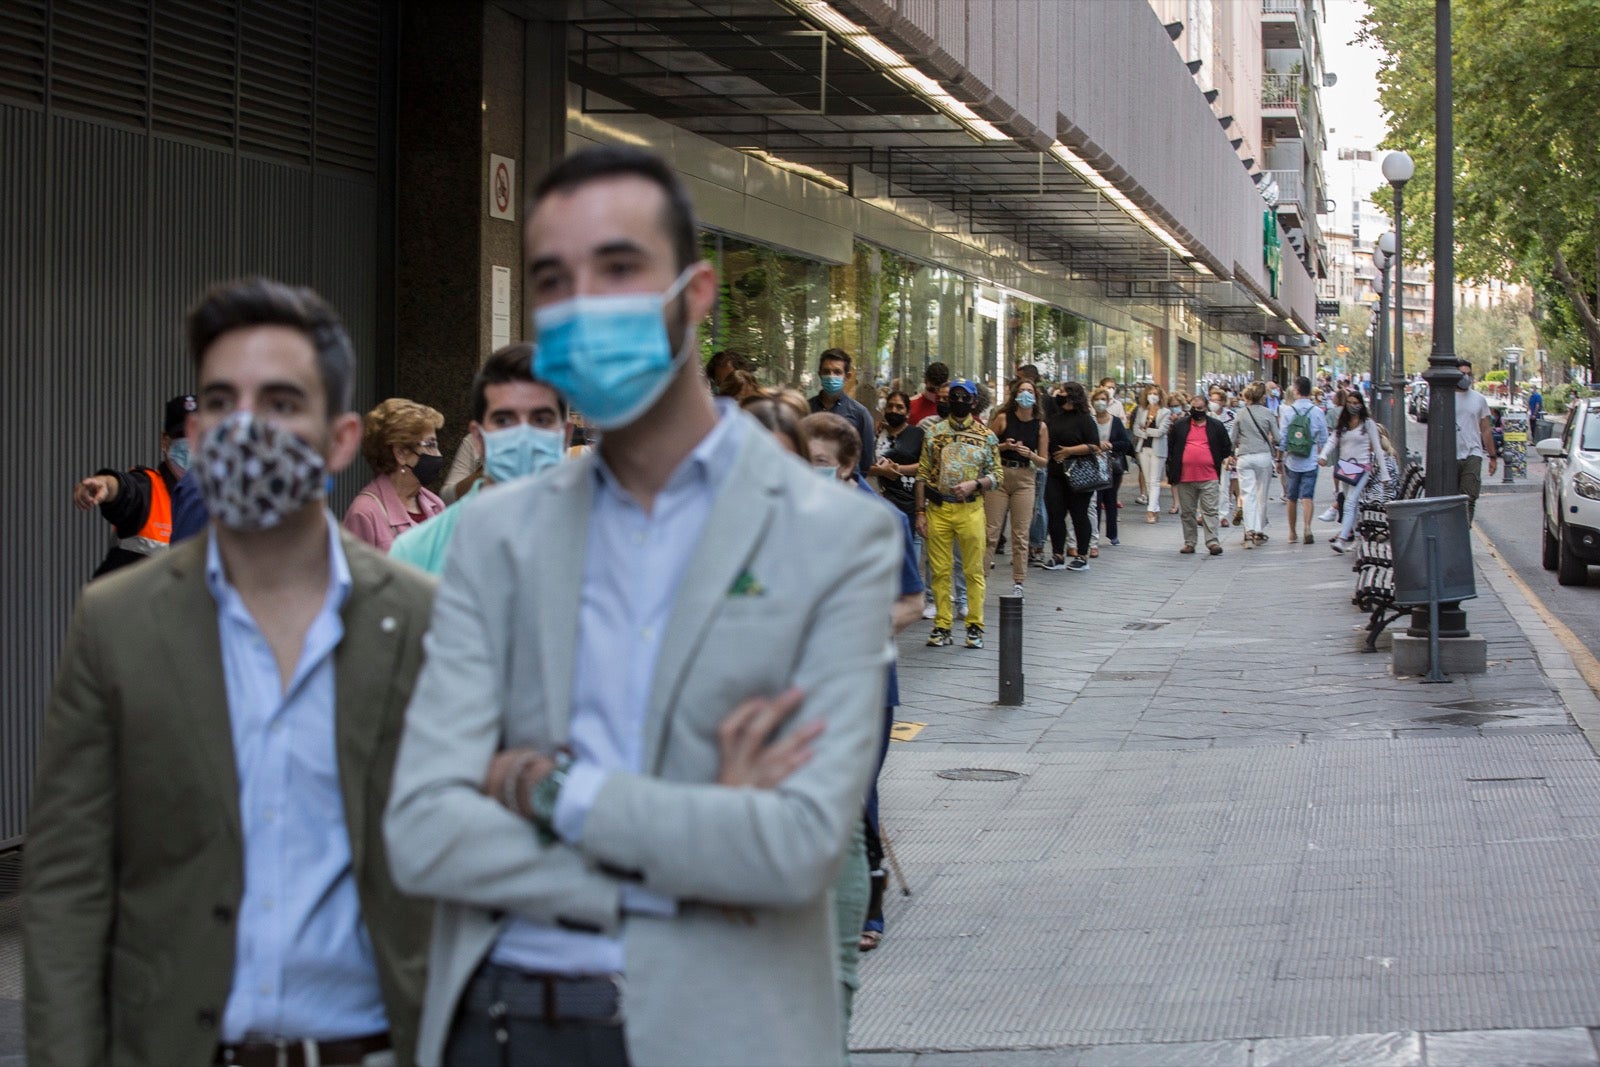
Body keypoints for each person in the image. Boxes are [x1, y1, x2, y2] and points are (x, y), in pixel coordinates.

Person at [382, 145, 900, 1067]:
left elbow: (793, 846)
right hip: (501, 1022)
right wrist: (696, 849)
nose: (588, 304)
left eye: (618, 269)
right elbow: (422, 829)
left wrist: (551, 790)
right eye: (555, 281)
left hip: (719, 1028)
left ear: (695, 293)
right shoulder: (497, 537)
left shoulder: (833, 538)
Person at [24, 278, 434, 1067]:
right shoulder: (114, 623)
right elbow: (68, 883)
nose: (245, 428)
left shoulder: (422, 622)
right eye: (220, 401)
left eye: (279, 402)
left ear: (341, 438)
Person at [801, 411, 922, 1024]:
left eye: (820, 463)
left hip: (864, 681)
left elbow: (912, 600)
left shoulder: (885, 519)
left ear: (847, 465)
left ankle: (866, 908)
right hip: (798, 684)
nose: (809, 473)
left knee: (857, 794)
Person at [389, 344, 570, 575]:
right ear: (478, 438)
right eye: (504, 420)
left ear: (565, 436)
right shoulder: (415, 553)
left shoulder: (603, 544)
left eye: (541, 420)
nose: (522, 436)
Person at [71, 393, 197, 576]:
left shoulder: (220, 501)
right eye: (182, 435)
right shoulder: (146, 489)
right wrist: (105, 484)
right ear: (165, 440)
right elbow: (124, 489)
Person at [916, 378, 999, 647]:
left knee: (973, 570)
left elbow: (997, 475)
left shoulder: (986, 437)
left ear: (974, 402)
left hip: (971, 508)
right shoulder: (934, 433)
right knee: (939, 570)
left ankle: (974, 625)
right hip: (938, 508)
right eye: (955, 396)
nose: (960, 401)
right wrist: (920, 511)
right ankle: (942, 624)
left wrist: (975, 484)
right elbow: (922, 474)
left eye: (965, 397)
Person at [343, 397, 447, 551]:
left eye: (436, 445)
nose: (438, 454)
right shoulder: (365, 513)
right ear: (400, 453)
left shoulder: (436, 506)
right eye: (430, 444)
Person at [983, 377, 1049, 596]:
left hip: (1025, 478)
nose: (1026, 395)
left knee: (1020, 533)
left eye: (1030, 391)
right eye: (1022, 391)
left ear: (1035, 397)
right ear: (1015, 394)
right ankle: (980, 578)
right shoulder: (1003, 418)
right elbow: (986, 447)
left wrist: (1030, 454)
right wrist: (1004, 446)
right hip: (1001, 475)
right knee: (991, 531)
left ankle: (1019, 581)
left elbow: (1044, 460)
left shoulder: (1040, 426)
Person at [1042, 381, 1103, 572]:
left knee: (1079, 514)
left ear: (1071, 395)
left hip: (1079, 472)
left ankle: (1082, 556)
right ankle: (1058, 554)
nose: (1058, 394)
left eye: (1062, 391)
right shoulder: (1053, 418)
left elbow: (1094, 445)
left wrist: (1070, 451)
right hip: (1055, 473)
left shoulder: (1085, 419)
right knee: (1055, 513)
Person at [1321, 389, 1389, 553]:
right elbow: (1333, 440)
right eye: (1350, 403)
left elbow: (1378, 449)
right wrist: (1323, 454)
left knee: (1351, 501)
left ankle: (1342, 538)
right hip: (1346, 468)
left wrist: (1385, 474)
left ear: (1361, 404)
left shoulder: (1368, 424)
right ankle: (1358, 537)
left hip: (1363, 467)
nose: (1353, 406)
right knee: (1351, 504)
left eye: (1356, 403)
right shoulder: (1343, 423)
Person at [1166, 391, 1233, 555]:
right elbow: (1172, 448)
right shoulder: (1181, 425)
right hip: (1185, 476)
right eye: (1194, 408)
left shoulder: (1216, 426)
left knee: (1210, 510)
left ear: (1206, 408)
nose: (1197, 411)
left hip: (1208, 475)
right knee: (1187, 512)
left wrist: (1216, 458)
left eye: (1200, 408)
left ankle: (1212, 542)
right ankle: (1190, 542)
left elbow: (1226, 446)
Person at [808, 347, 876, 476]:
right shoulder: (805, 409)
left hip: (846, 486)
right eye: (826, 371)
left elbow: (865, 462)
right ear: (819, 374)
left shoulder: (860, 414)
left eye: (837, 372)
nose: (831, 376)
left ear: (847, 376)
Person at [1278, 375, 1330, 545]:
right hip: (1311, 458)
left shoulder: (1288, 410)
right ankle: (1307, 527)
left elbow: (1283, 437)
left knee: (1292, 497)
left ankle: (1292, 532)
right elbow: (1324, 436)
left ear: (1296, 390)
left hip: (1292, 460)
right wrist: (1322, 455)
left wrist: (1279, 459)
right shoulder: (1317, 411)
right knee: (1307, 496)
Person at [1230, 382, 1279, 548]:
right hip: (1263, 456)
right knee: (1261, 495)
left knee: (1247, 495)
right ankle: (1259, 530)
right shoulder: (1268, 413)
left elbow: (1232, 438)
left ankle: (1249, 530)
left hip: (1244, 457)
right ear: (1262, 396)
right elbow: (1278, 438)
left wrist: (1231, 455)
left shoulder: (1241, 414)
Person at [1088, 384, 1134, 553]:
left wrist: (1110, 446)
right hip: (1093, 465)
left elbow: (1125, 443)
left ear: (1108, 402)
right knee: (1095, 501)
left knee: (1110, 499)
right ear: (1092, 402)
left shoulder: (1114, 421)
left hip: (1112, 465)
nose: (1100, 402)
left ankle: (1112, 534)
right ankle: (1095, 534)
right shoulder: (1090, 421)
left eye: (1103, 399)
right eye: (1097, 400)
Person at [1454, 360, 1498, 522]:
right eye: (1462, 374)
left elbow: (1486, 428)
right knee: (1450, 499)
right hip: (1451, 454)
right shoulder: (1444, 396)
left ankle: (1464, 532)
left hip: (1473, 453)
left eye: (1469, 374)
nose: (1466, 377)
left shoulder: (1478, 399)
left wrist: (1492, 456)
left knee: (1469, 497)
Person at [1130, 384, 1171, 522]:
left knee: (1154, 481)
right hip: (1143, 448)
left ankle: (1150, 511)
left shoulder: (1165, 412)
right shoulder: (1141, 410)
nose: (1153, 396)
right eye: (1150, 393)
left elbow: (1161, 431)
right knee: (1148, 481)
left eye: (1156, 394)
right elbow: (1135, 428)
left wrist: (1145, 431)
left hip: (1158, 449)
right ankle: (1155, 508)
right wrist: (1144, 432)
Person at [907, 360, 949, 426]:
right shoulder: (910, 404)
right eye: (932, 389)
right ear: (925, 381)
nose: (937, 393)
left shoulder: (954, 405)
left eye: (940, 389)